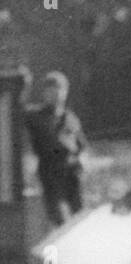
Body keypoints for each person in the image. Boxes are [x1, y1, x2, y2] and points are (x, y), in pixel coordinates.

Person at [24, 71, 86, 227]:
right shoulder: (35, 116)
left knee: (79, 218)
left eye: (59, 89)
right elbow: (15, 108)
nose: (56, 94)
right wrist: (24, 85)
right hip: (50, 172)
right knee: (59, 219)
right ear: (44, 93)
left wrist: (73, 150)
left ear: (65, 92)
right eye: (51, 90)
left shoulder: (70, 118)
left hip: (71, 173)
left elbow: (81, 145)